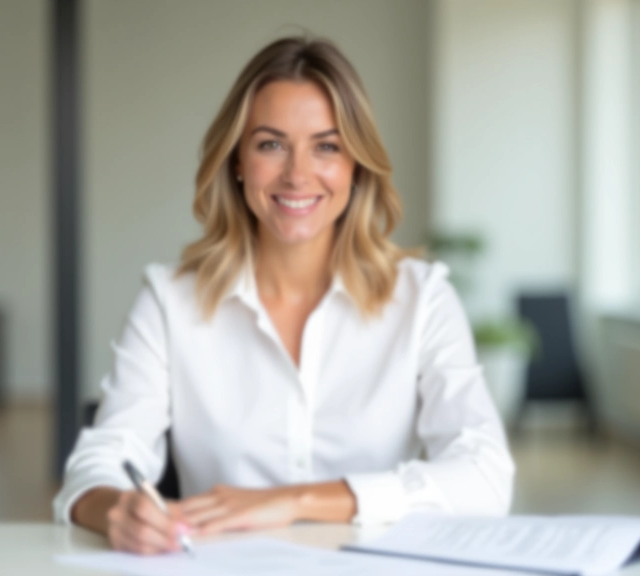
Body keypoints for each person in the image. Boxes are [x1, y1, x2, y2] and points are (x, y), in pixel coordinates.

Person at [53, 35, 514, 555]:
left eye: (327, 146)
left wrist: (295, 501)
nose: (297, 174)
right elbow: (101, 460)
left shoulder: (423, 298)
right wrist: (116, 509)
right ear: (238, 162)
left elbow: (485, 475)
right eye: (271, 144)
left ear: (356, 165)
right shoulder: (169, 300)